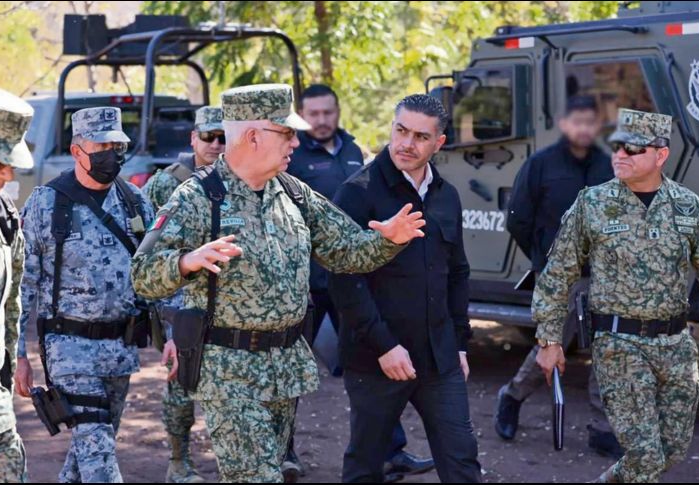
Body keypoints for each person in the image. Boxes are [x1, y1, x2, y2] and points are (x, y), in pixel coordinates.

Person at [130, 83, 427, 482]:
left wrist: (387, 240)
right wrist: (185, 262)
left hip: (284, 368)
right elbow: (142, 274)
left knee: (262, 473)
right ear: (253, 136)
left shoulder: (292, 192)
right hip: (229, 373)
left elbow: (346, 252)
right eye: (286, 133)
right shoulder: (196, 198)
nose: (296, 142)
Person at [533, 108, 699, 483]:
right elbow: (557, 273)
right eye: (617, 146)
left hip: (676, 348)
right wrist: (549, 339)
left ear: (661, 155)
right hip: (619, 346)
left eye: (633, 149)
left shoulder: (687, 206)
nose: (620, 155)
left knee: (672, 450)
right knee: (646, 456)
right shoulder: (593, 204)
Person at [329, 94, 481, 483]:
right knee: (365, 466)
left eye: (420, 136)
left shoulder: (446, 195)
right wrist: (384, 346)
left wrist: (459, 342)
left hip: (439, 357)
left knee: (462, 461)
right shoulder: (358, 192)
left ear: (439, 142)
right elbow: (343, 279)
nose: (406, 144)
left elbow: (457, 273)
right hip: (376, 358)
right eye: (401, 130)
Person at [284, 84, 433, 482]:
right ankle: (284, 451)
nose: (321, 120)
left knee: (375, 357)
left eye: (327, 112)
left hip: (352, 276)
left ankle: (390, 451)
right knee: (288, 366)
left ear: (337, 111)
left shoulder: (353, 151)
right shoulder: (292, 155)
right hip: (308, 283)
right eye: (313, 114)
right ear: (303, 116)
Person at [14, 106, 154, 482]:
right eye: (101, 146)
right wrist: (18, 354)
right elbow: (23, 285)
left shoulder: (135, 202)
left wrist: (172, 334)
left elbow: (154, 271)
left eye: (117, 146)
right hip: (68, 350)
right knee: (99, 452)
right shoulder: (47, 203)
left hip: (120, 349)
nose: (112, 154)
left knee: (89, 450)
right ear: (77, 151)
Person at [497, 96, 620, 457]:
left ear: (598, 126)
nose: (583, 128)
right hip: (558, 275)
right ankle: (512, 396)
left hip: (603, 273)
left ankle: (601, 428)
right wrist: (544, 259)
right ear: (564, 124)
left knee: (606, 347)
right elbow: (517, 218)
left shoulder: (608, 165)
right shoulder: (541, 164)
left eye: (590, 122)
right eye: (576, 121)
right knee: (553, 345)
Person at [143, 105, 224, 483]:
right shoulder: (165, 184)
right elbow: (149, 252)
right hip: (178, 302)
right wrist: (171, 319)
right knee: (181, 383)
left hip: (225, 301)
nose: (216, 144)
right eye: (208, 137)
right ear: (193, 138)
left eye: (223, 138)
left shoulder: (239, 179)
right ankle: (178, 461)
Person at [0, 85, 33, 483]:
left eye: (9, 163)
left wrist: (12, 361)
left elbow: (11, 298)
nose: (7, 174)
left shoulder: (3, 215)